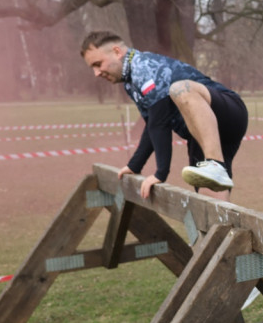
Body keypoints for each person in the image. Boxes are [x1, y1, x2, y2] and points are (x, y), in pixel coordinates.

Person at [81, 31, 248, 199]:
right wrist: (135, 165)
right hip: (202, 133)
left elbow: (160, 123)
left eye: (98, 64)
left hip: (228, 110)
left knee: (179, 88)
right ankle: (220, 219)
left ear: (117, 52)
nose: (96, 73)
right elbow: (152, 124)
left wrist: (160, 173)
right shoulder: (131, 82)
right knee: (209, 194)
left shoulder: (143, 67)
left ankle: (215, 164)